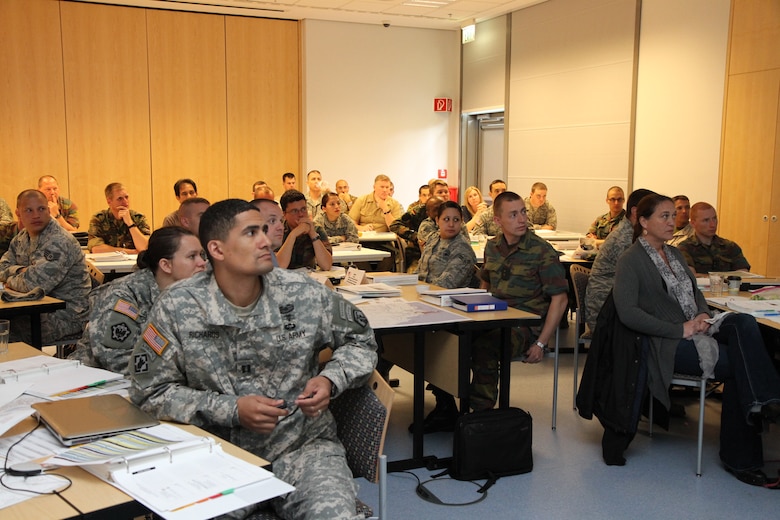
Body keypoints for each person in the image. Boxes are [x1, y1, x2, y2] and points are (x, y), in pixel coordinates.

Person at [129, 199, 377, 519]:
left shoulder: (303, 292)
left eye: (263, 229)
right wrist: (231, 409)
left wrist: (331, 378)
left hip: (302, 447)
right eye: (250, 233)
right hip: (217, 454)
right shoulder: (178, 306)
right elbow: (149, 391)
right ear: (217, 250)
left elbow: (362, 342)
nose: (265, 239)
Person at [607, 193, 780, 485]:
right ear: (644, 222)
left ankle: (763, 400)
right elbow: (628, 314)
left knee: (744, 322)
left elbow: (696, 293)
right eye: (664, 216)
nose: (672, 221)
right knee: (740, 365)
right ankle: (744, 456)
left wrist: (701, 314)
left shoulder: (674, 254)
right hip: (667, 341)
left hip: (699, 326)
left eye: (673, 216)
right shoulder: (631, 260)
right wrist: (680, 329)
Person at [470, 191, 569, 411]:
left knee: (485, 347)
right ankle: (447, 406)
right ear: (498, 220)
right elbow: (485, 285)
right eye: (513, 214)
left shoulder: (541, 251)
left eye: (523, 212)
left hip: (525, 326)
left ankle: (480, 415)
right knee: (452, 338)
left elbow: (560, 300)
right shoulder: (492, 247)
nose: (522, 219)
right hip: (495, 318)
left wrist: (541, 343)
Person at [70, 227, 207, 373]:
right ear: (166, 265)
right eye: (192, 256)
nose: (202, 263)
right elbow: (115, 359)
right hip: (99, 381)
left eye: (202, 255)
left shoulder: (196, 292)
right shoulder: (123, 296)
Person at [413, 201, 477, 432]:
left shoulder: (462, 249)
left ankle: (446, 404)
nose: (451, 224)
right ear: (437, 221)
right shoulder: (433, 240)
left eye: (456, 220)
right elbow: (421, 273)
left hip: (449, 313)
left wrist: (415, 295)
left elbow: (445, 285)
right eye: (446, 219)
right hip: (427, 305)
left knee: (429, 346)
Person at [0, 190, 90, 345]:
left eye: (41, 209)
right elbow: (2, 267)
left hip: (65, 316)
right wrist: (21, 271)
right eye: (29, 210)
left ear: (49, 210)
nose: (36, 215)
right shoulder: (22, 238)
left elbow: (33, 285)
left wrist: (13, 278)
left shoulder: (59, 241)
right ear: (18, 213)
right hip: (34, 310)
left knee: (5, 332)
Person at [584, 188, 655, 334]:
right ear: (636, 212)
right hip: (606, 311)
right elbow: (643, 278)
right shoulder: (625, 239)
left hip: (617, 304)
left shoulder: (633, 234)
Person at [390, 180, 450, 270]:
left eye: (446, 192)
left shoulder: (453, 212)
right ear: (431, 195)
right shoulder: (420, 210)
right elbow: (395, 225)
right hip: (418, 255)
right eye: (440, 192)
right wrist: (415, 236)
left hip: (447, 255)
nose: (444, 195)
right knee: (418, 277)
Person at [677, 202, 750, 275]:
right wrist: (724, 278)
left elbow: (743, 274)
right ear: (693, 223)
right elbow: (690, 276)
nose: (712, 224)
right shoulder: (685, 248)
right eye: (706, 220)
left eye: (714, 218)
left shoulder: (730, 247)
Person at [277, 189, 333, 270]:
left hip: (309, 278)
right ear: (284, 214)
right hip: (283, 279)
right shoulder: (278, 230)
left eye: (303, 209)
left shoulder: (317, 228)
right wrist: (293, 235)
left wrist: (313, 234)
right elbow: (278, 267)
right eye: (294, 211)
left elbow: (326, 265)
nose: (300, 214)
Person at [88, 183, 150, 253]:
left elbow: (145, 247)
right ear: (109, 201)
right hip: (108, 262)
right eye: (120, 199)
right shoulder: (99, 219)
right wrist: (131, 252)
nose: (125, 202)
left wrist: (130, 224)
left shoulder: (138, 218)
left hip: (134, 263)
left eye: (126, 197)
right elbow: (96, 249)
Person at [250, 198, 285, 267]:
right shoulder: (248, 262)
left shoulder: (269, 253)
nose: (281, 227)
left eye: (281, 221)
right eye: (272, 221)